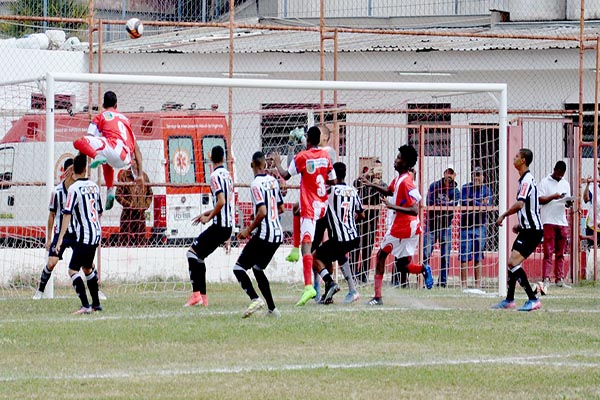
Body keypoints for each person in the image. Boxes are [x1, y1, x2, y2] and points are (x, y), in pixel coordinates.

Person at [359, 145, 433, 305]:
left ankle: (377, 297)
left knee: (380, 256)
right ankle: (423, 269)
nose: (395, 160)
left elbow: (414, 209)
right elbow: (389, 191)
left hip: (402, 227)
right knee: (403, 265)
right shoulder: (400, 179)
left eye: (399, 158)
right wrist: (371, 185)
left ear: (405, 163)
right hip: (412, 227)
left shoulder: (406, 182)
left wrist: (392, 207)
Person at [272, 125, 336, 306]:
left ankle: (309, 287)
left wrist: (278, 162)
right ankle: (328, 281)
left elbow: (285, 174)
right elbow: (332, 178)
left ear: (307, 140)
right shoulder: (325, 156)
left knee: (307, 249)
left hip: (310, 207)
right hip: (322, 206)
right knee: (295, 209)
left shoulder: (302, 157)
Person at [234, 151, 284, 318]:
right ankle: (272, 309)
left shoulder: (255, 184)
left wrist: (248, 229)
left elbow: (262, 211)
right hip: (278, 235)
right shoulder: (274, 181)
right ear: (265, 165)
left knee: (239, 268)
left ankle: (255, 299)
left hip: (265, 235)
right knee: (257, 268)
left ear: (252, 165)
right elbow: (281, 208)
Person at [74, 90, 143, 210]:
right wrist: (140, 175)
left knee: (78, 141)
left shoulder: (100, 117)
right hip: (125, 159)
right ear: (116, 105)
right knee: (106, 157)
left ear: (103, 105)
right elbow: (137, 149)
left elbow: (88, 139)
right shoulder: (126, 120)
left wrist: (85, 159)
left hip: (114, 149)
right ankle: (110, 190)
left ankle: (97, 157)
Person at [493, 148, 544, 312]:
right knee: (511, 263)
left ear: (523, 160)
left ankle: (533, 299)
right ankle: (509, 300)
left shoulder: (527, 180)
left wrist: (504, 215)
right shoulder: (523, 180)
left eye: (516, 156)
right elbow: (530, 206)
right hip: (527, 229)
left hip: (533, 231)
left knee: (513, 262)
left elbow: (520, 204)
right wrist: (520, 225)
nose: (513, 158)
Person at [184, 145, 234, 308]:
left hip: (219, 226)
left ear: (210, 158)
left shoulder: (214, 176)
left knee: (191, 253)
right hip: (226, 226)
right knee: (199, 257)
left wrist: (209, 218)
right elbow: (227, 205)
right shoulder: (228, 176)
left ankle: (196, 294)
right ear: (224, 158)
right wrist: (206, 213)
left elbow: (221, 201)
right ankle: (203, 299)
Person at [55, 154, 104, 314]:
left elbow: (67, 214)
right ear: (85, 168)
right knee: (88, 268)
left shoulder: (73, 189)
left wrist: (60, 237)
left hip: (84, 235)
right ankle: (96, 304)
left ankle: (85, 305)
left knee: (73, 270)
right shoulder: (94, 187)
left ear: (72, 169)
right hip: (96, 233)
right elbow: (99, 211)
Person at [313, 162, 365, 304]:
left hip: (339, 238)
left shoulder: (330, 191)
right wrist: (349, 221)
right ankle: (351, 290)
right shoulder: (353, 191)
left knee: (314, 257)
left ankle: (329, 283)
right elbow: (361, 215)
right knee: (336, 256)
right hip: (353, 237)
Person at [32, 158, 76, 299]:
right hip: (60, 234)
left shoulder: (79, 190)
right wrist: (49, 238)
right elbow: (51, 215)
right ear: (65, 172)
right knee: (51, 263)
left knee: (87, 264)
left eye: (74, 170)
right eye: (69, 170)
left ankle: (97, 291)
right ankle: (39, 291)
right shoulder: (57, 192)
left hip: (77, 232)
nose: (72, 173)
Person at [423, 164, 460, 287]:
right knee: (426, 253)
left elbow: (453, 205)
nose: (449, 175)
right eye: (447, 172)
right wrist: (446, 204)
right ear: (444, 173)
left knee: (445, 256)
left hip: (446, 226)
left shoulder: (456, 191)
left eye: (451, 173)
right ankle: (425, 280)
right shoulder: (434, 186)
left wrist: (442, 204)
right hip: (431, 224)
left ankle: (442, 282)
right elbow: (430, 202)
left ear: (454, 176)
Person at [538, 161, 572, 292]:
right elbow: (540, 199)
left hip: (561, 221)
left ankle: (559, 279)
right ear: (554, 170)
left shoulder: (565, 183)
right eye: (558, 174)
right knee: (548, 251)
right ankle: (546, 278)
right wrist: (554, 197)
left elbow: (567, 202)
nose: (560, 177)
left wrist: (568, 202)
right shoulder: (545, 182)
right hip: (549, 220)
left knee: (560, 252)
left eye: (562, 175)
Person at [351, 160, 385, 284]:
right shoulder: (364, 181)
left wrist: (376, 184)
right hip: (360, 219)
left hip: (372, 221)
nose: (376, 172)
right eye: (374, 169)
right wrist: (365, 176)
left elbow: (385, 193)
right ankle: (352, 273)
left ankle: (363, 274)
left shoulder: (382, 184)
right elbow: (355, 184)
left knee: (367, 248)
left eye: (379, 169)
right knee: (355, 247)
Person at [460, 166, 493, 289]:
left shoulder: (487, 190)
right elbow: (463, 201)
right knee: (464, 256)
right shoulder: (465, 187)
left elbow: (487, 206)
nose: (476, 177)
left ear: (483, 177)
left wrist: (472, 201)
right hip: (465, 226)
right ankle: (464, 285)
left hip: (480, 226)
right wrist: (479, 202)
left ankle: (477, 285)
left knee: (478, 256)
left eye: (479, 175)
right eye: (475, 175)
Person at [115, 158, 153, 246]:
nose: (136, 162)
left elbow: (150, 193)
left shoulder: (144, 176)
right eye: (134, 160)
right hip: (127, 215)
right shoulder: (124, 175)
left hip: (140, 215)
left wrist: (145, 205)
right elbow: (118, 195)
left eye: (138, 160)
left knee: (141, 243)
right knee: (124, 243)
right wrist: (129, 204)